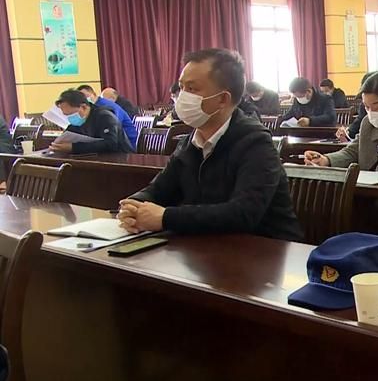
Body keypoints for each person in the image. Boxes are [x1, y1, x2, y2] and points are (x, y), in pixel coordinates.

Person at [117, 48, 303, 240]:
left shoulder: (256, 143)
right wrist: (134, 204)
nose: (182, 96)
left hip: (266, 249)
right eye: (181, 88)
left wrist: (166, 217)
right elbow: (159, 189)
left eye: (192, 89)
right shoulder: (189, 142)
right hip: (209, 245)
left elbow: (243, 213)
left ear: (222, 99)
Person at [53, 89, 134, 154]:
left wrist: (73, 148)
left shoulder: (105, 116)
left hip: (122, 159)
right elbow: (68, 134)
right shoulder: (78, 121)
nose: (70, 118)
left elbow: (110, 144)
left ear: (84, 107)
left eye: (71, 114)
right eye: (67, 115)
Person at [336, 72, 378, 142]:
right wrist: (347, 133)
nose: (370, 110)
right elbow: (358, 122)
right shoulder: (363, 106)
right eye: (367, 106)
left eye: (376, 104)